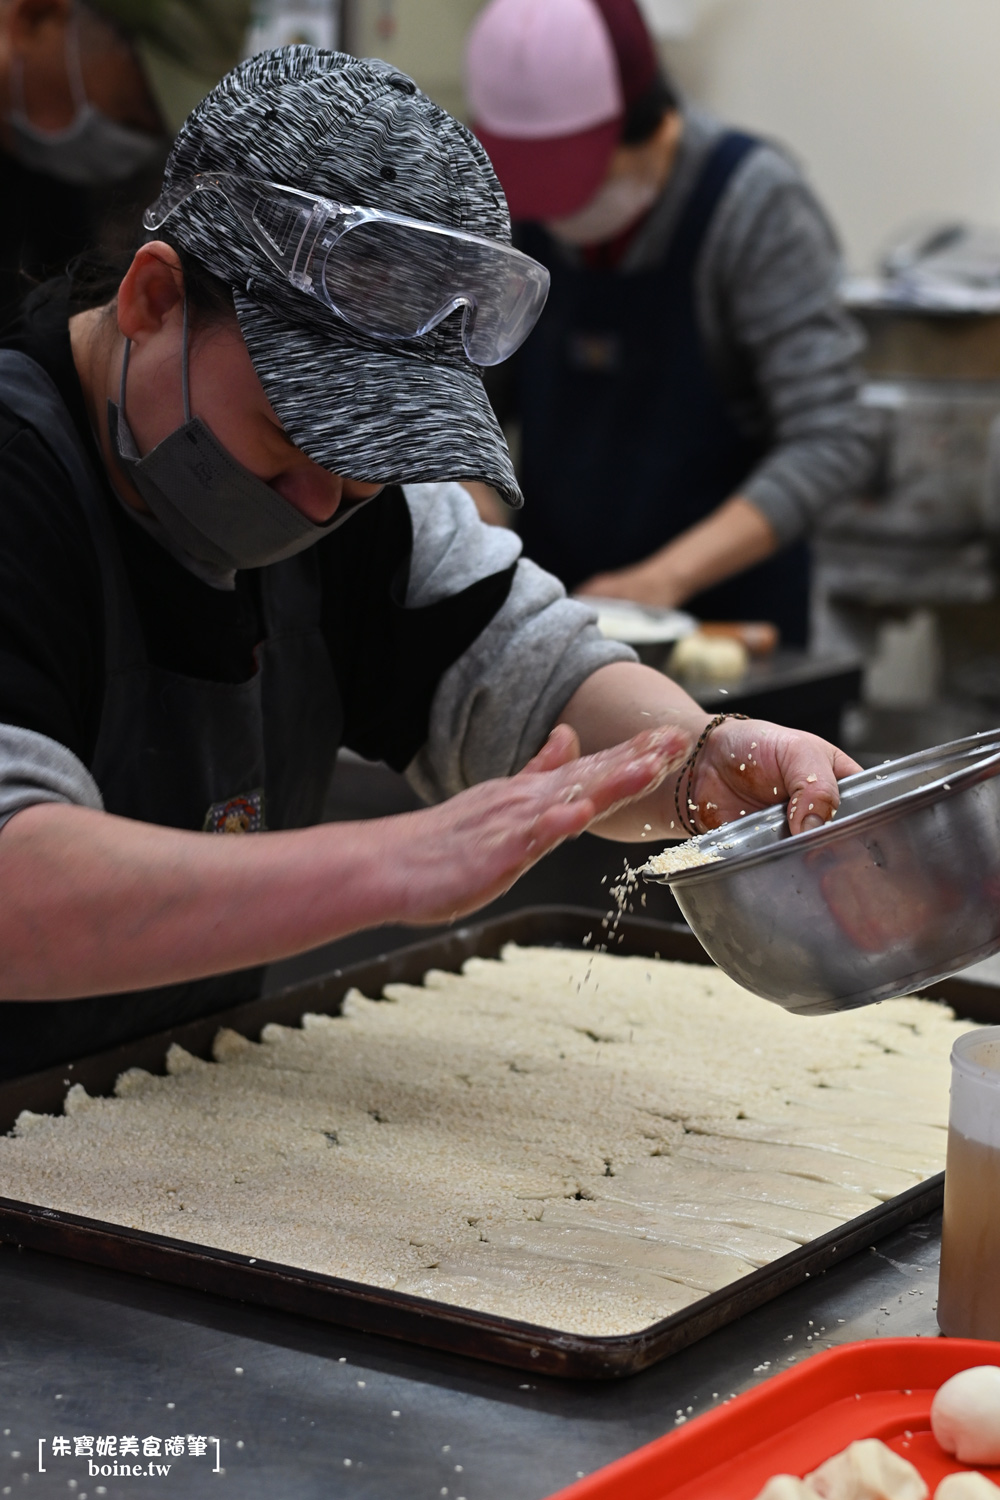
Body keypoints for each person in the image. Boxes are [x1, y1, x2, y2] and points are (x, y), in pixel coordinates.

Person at [0, 46, 857, 1081]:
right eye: (285, 443)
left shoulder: (360, 505)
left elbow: (530, 674)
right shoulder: (20, 483)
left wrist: (697, 760)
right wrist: (394, 862)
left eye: (363, 472)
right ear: (152, 299)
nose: (322, 505)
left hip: (162, 1107)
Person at [464, 0, 879, 645]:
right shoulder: (513, 210)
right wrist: (471, 492)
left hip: (726, 626)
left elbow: (834, 436)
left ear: (658, 130)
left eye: (577, 185)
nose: (552, 212)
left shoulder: (752, 205)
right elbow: (467, 391)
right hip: (557, 620)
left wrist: (665, 579)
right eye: (533, 187)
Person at [0, 0, 250, 324]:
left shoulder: (57, 190)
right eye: (131, 117)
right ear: (35, 17)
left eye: (158, 137)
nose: (133, 150)